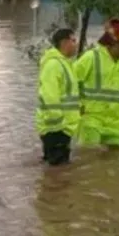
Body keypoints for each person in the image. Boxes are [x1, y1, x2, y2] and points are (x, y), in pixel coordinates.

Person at [74, 18, 119, 149]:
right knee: (89, 155)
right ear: (114, 43)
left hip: (116, 123)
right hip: (91, 119)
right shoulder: (91, 58)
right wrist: (78, 106)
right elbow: (70, 83)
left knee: (116, 157)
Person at [36, 28, 81, 166]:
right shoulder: (53, 65)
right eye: (73, 40)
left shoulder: (65, 63)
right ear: (64, 42)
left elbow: (68, 94)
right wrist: (58, 122)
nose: (76, 44)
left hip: (63, 128)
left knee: (58, 170)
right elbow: (50, 96)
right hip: (56, 128)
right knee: (58, 170)